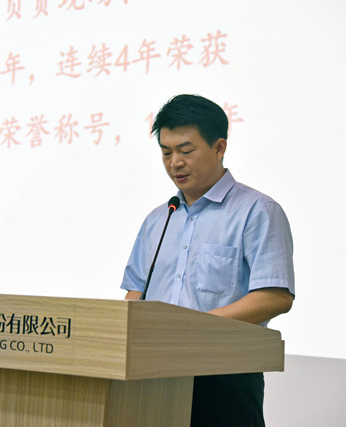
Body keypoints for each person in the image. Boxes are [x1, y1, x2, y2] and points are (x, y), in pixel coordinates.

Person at [120, 94, 295, 426]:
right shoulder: (159, 219)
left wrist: (192, 330)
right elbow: (135, 294)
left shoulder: (257, 211)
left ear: (219, 148)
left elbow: (275, 296)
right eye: (166, 152)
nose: (175, 163)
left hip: (223, 380)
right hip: (151, 375)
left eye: (186, 151)